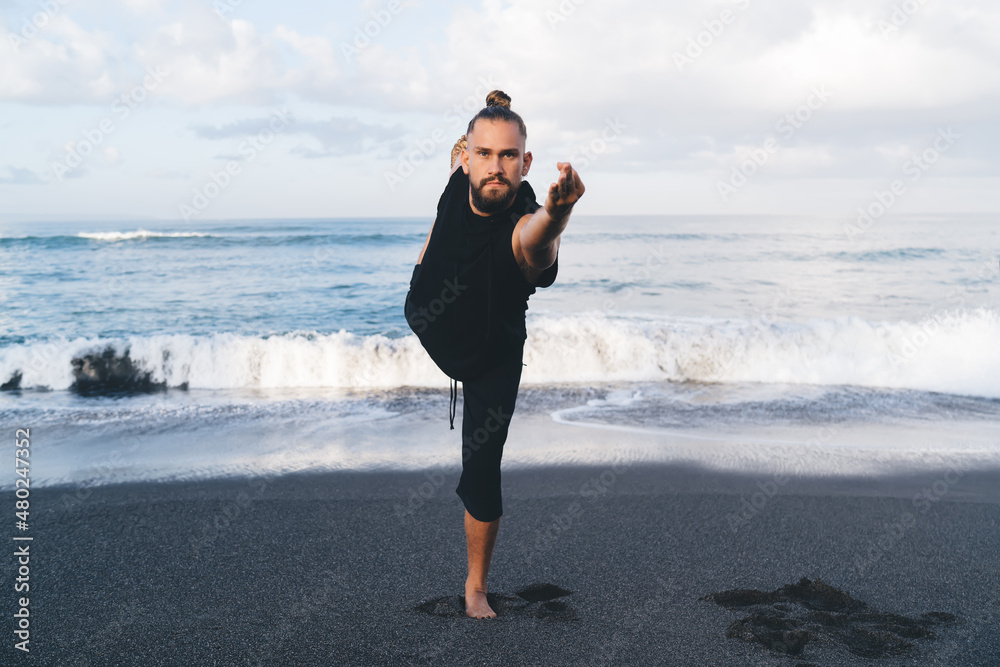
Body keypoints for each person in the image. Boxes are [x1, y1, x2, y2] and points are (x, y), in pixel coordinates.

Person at [404, 90, 585, 619]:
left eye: (509, 156)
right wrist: (423, 263)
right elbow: (448, 199)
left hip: (491, 355)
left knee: (483, 467)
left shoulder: (525, 220)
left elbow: (538, 244)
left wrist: (558, 214)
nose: (495, 167)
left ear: (526, 163)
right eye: (484, 153)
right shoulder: (459, 176)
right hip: (429, 316)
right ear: (466, 156)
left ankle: (476, 586)